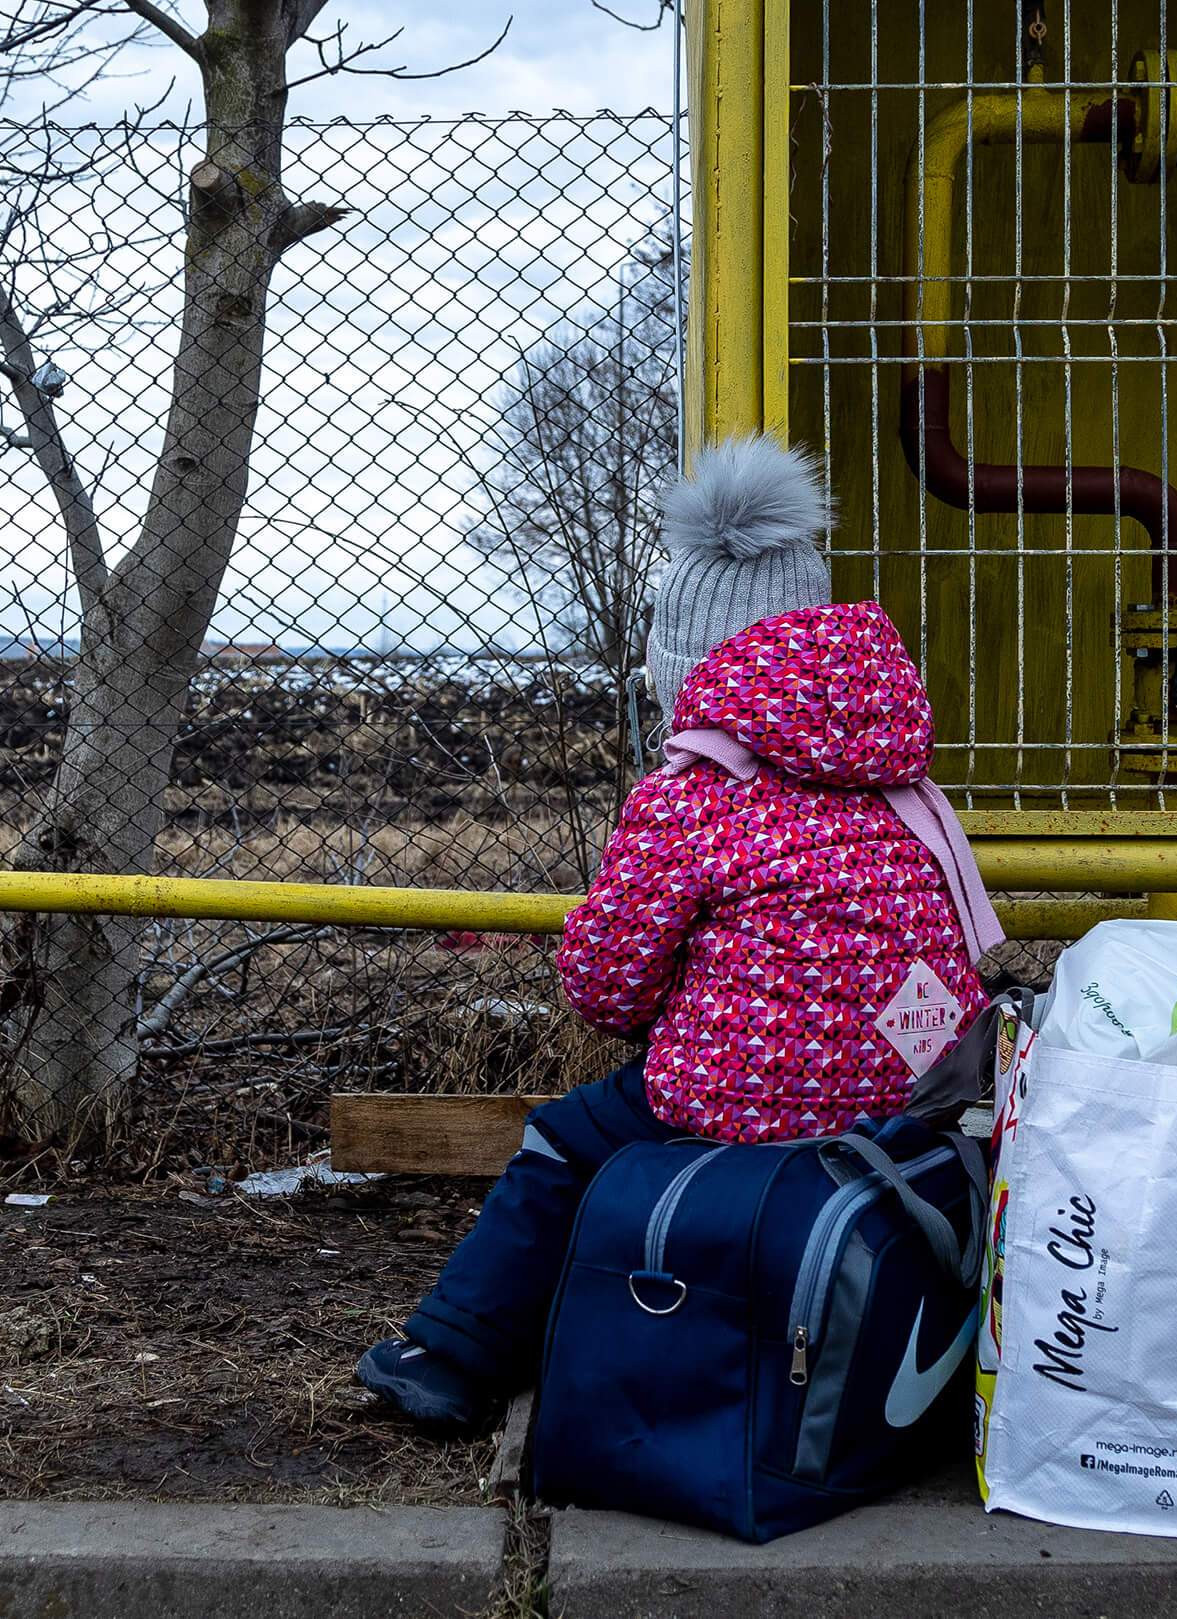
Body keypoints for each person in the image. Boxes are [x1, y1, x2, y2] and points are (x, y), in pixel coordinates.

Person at [357, 435, 1001, 1432]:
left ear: (691, 672)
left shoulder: (690, 800)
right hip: (901, 1091)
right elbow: (940, 953)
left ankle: (452, 1352)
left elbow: (606, 986)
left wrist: (691, 1004)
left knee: (567, 1142)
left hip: (736, 1096)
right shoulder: (901, 786)